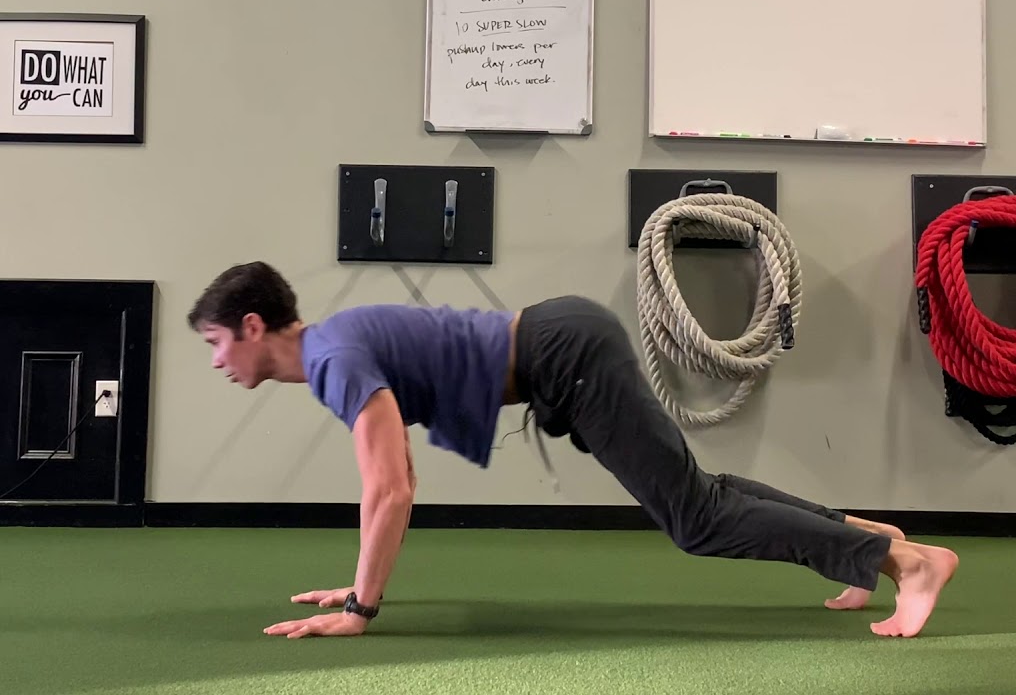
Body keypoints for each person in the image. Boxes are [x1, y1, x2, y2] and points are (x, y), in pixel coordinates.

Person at [187, 261, 958, 640]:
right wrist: (353, 584)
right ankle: (870, 544)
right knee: (696, 489)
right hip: (561, 349)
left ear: (255, 326)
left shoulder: (332, 359)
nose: (217, 361)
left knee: (693, 517)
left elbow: (391, 488)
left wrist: (361, 605)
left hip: (564, 355)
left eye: (218, 342)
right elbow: (394, 483)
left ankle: (908, 566)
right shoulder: (335, 348)